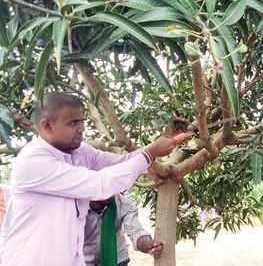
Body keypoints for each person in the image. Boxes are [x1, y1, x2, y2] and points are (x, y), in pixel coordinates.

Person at [0, 92, 179, 266]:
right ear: (47, 125)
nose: (82, 128)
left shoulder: (79, 152)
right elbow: (99, 185)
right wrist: (151, 153)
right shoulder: (33, 161)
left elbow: (122, 162)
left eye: (82, 121)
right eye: (73, 123)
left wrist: (165, 141)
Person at [84, 194, 162, 266]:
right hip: (83, 261)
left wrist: (148, 245)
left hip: (116, 260)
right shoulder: (75, 207)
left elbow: (136, 231)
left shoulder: (123, 204)